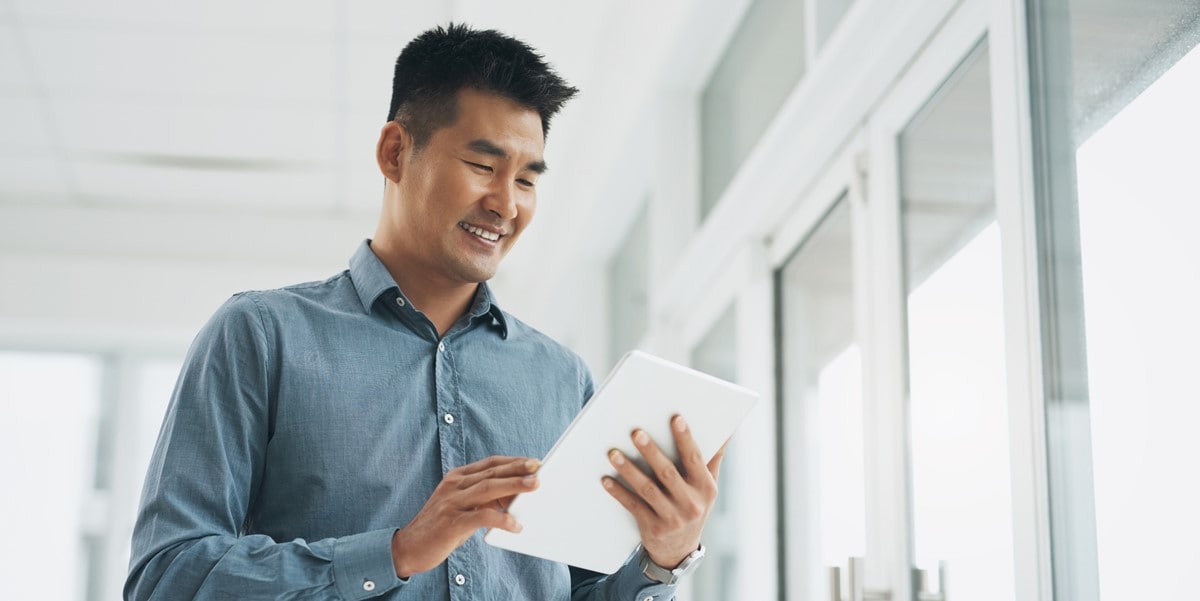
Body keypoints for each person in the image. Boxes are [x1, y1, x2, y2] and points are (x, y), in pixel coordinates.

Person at [125, 23, 725, 601]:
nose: (505, 204)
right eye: (484, 167)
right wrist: (398, 551)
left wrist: (661, 559)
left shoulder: (560, 377)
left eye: (527, 179)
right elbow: (168, 578)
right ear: (394, 152)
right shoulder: (260, 336)